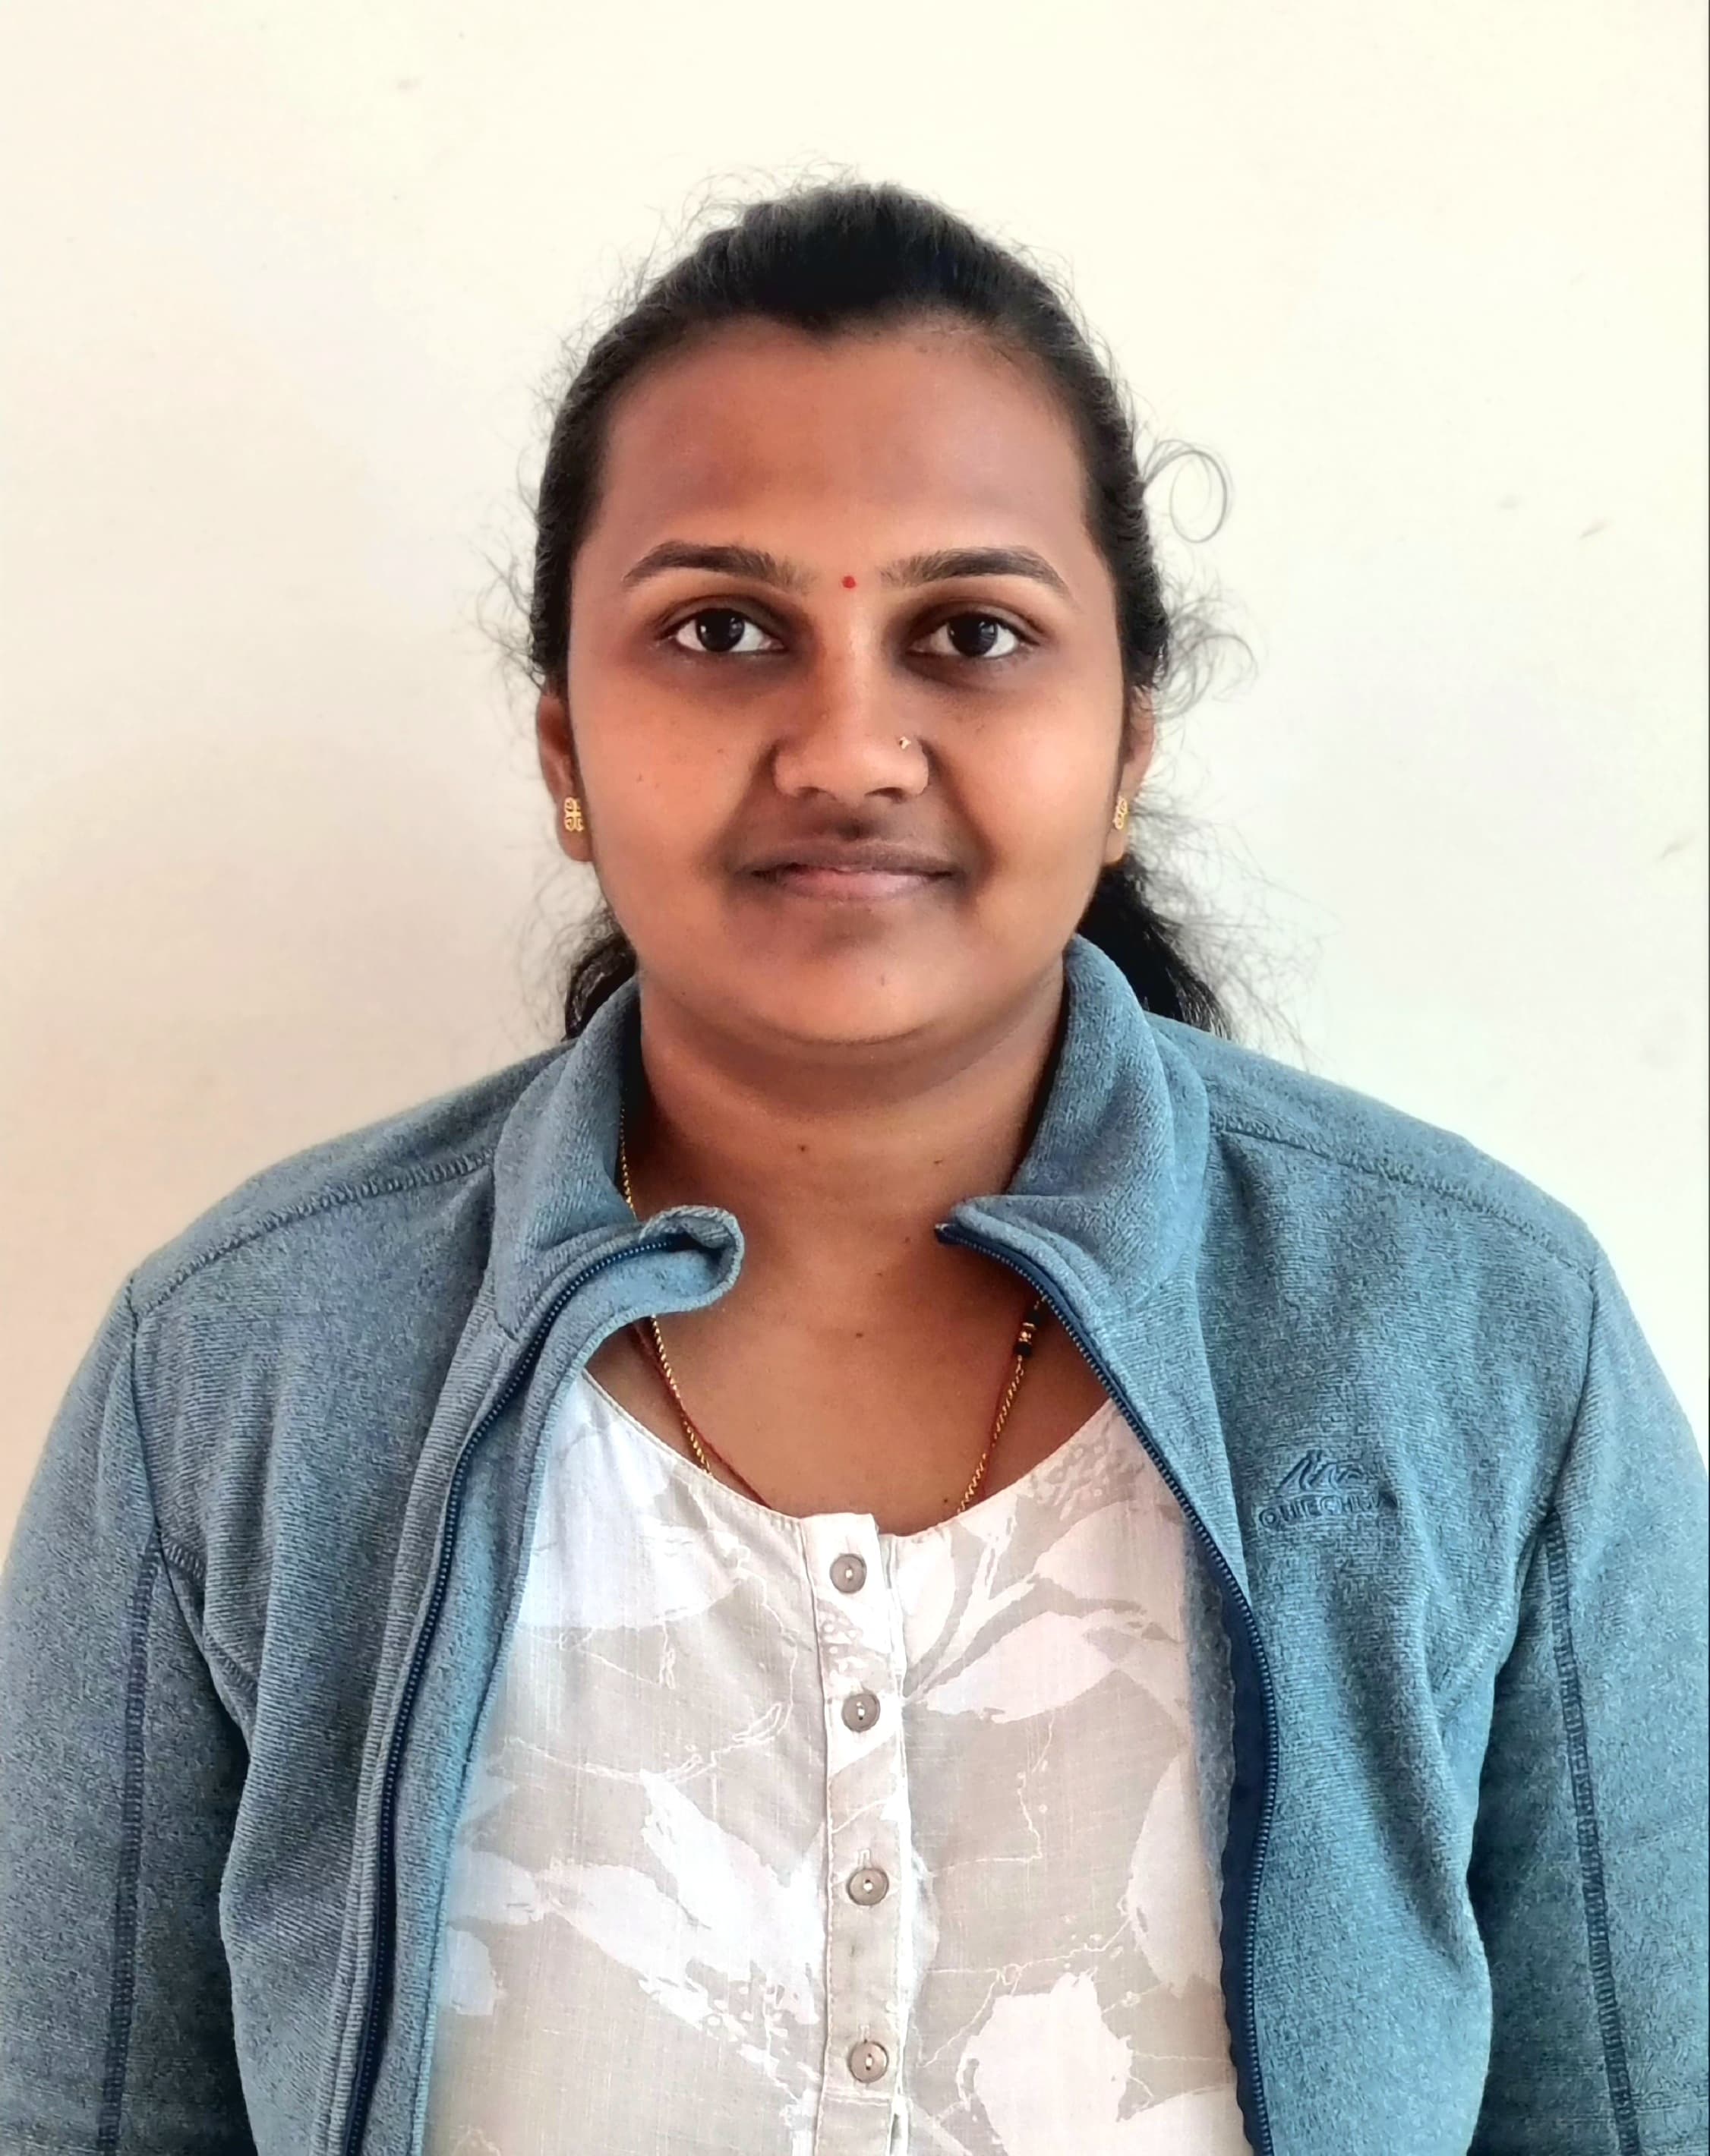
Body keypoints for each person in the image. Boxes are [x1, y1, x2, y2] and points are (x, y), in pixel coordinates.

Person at [0, 178, 1703, 2156]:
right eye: (721, 630)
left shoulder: (1482, 1340)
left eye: (968, 633)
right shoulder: (240, 1370)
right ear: (562, 751)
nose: (845, 750)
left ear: (1126, 747)